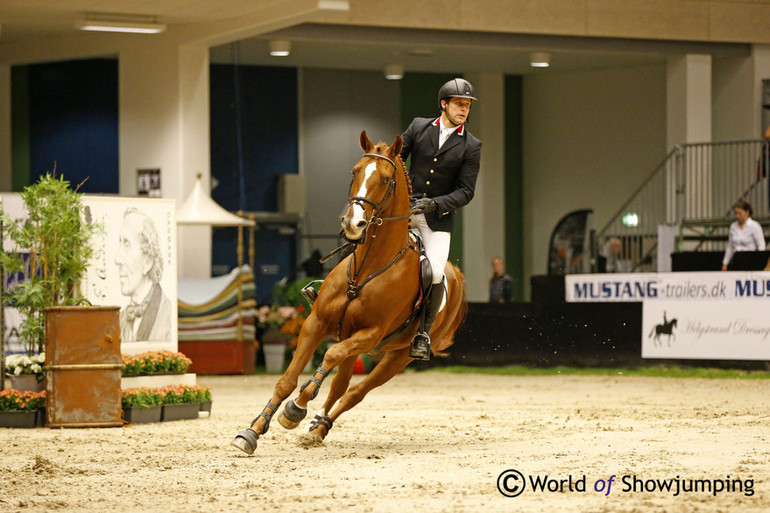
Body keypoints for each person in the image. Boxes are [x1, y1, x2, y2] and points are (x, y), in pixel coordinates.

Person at [401, 78, 482, 360]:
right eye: (459, 103)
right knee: (361, 233)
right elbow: (396, 160)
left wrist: (434, 204)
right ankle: (328, 291)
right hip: (404, 212)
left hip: (437, 220)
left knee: (435, 272)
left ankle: (422, 333)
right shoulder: (418, 127)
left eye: (467, 105)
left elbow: (466, 192)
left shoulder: (471, 145)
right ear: (444, 104)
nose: (464, 109)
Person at [114, 207, 173, 342]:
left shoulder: (167, 314)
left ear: (147, 261)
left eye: (127, 244)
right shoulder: (121, 319)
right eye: (120, 243)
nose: (117, 259)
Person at [721, 200, 766, 271]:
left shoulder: (755, 226)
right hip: (736, 260)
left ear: (747, 212)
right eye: (736, 213)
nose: (737, 216)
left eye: (740, 213)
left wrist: (759, 262)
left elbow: (761, 245)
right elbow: (730, 246)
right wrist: (725, 263)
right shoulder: (733, 226)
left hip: (749, 260)